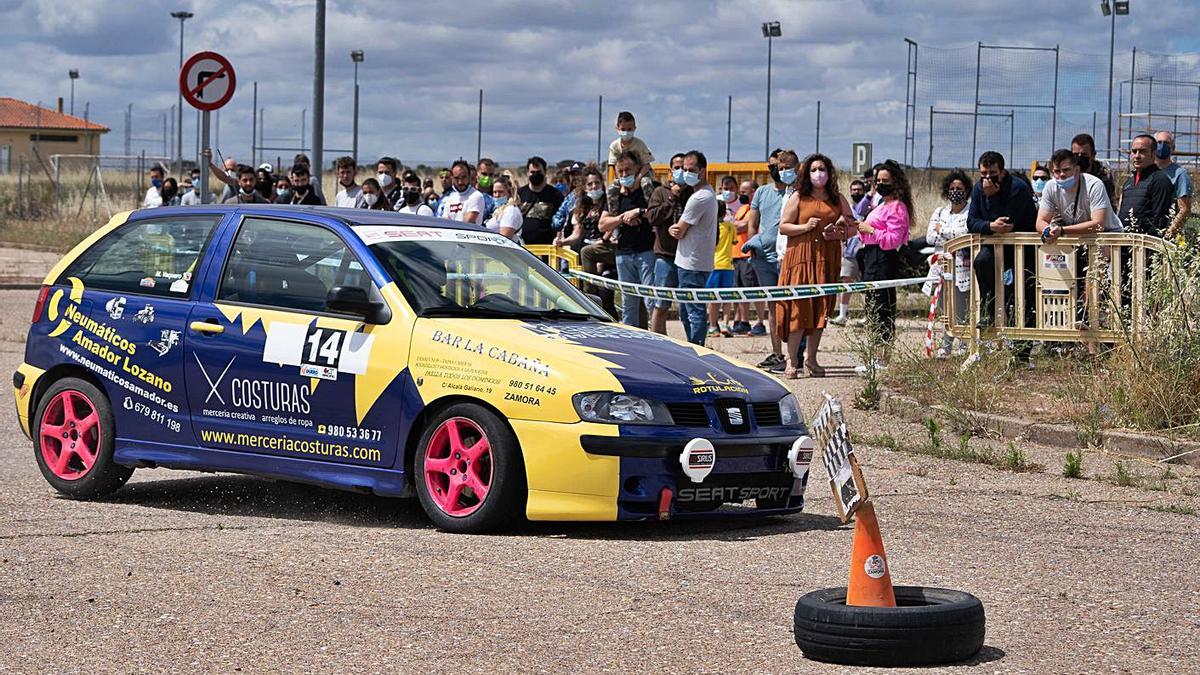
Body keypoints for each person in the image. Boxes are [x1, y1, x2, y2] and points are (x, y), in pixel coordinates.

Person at [776, 153, 853, 378]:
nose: (818, 173)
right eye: (813, 169)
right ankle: (792, 361)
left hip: (826, 260)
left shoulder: (837, 198)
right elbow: (784, 227)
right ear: (806, 173)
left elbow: (852, 226)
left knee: (820, 310)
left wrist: (838, 232)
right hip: (800, 258)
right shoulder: (799, 197)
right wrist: (806, 227)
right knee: (798, 311)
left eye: (822, 169)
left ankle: (812, 359)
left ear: (829, 173)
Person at [967, 150, 1038, 332]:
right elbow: (972, 222)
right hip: (995, 244)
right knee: (982, 262)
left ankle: (1023, 342)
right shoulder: (978, 189)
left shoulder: (1018, 188)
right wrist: (989, 225)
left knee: (1019, 293)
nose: (988, 179)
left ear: (1003, 172)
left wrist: (992, 197)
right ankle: (987, 312)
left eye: (993, 174)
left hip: (1022, 248)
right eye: (984, 174)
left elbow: (1007, 222)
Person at [853, 160, 914, 374]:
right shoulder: (881, 205)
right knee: (872, 307)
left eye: (884, 181)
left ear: (895, 182)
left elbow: (894, 240)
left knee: (883, 308)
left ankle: (882, 358)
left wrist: (870, 230)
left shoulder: (898, 207)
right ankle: (875, 355)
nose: (880, 184)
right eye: (878, 180)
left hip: (884, 259)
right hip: (870, 257)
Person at [744, 149, 797, 371]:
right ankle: (777, 354)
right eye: (773, 166)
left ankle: (797, 353)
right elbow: (752, 224)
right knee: (773, 307)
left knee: (793, 305)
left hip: (787, 256)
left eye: (781, 166)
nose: (776, 171)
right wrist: (751, 246)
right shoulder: (762, 192)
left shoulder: (795, 193)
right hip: (764, 258)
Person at [599, 150, 656, 327]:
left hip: (647, 251)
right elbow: (602, 225)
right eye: (621, 171)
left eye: (628, 170)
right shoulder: (615, 195)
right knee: (628, 303)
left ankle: (657, 339)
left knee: (651, 300)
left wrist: (639, 212)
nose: (624, 175)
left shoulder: (650, 189)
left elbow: (659, 212)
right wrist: (622, 217)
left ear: (638, 169)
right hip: (623, 253)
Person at [669, 150, 718, 345]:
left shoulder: (699, 198)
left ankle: (696, 348)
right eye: (683, 169)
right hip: (693, 260)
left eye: (691, 169)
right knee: (686, 310)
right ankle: (693, 344)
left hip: (692, 262)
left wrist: (674, 229)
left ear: (703, 171)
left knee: (693, 311)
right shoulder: (705, 194)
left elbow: (679, 231)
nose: (686, 173)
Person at [924, 170, 974, 357]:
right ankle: (946, 345)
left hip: (962, 267)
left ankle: (963, 345)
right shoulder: (940, 211)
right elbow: (930, 237)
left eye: (959, 188)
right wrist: (952, 233)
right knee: (945, 308)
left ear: (966, 190)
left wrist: (943, 230)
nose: (955, 191)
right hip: (941, 268)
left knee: (961, 306)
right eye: (952, 188)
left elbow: (966, 233)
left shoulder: (972, 211)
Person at [645, 153, 691, 335]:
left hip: (688, 257)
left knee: (688, 306)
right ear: (671, 171)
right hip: (665, 255)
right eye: (677, 168)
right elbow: (652, 218)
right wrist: (671, 198)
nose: (680, 171)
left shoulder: (693, 193)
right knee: (661, 304)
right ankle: (659, 340)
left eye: (684, 168)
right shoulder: (660, 192)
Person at [1117, 134, 1174, 237]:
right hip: (1124, 246)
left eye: (1142, 151)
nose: (1137, 156)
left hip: (1144, 246)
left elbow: (1159, 221)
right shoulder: (1128, 183)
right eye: (1134, 151)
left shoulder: (1160, 181)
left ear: (1153, 154)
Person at [707, 175, 741, 337]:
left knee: (712, 299)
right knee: (726, 297)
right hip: (728, 265)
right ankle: (726, 324)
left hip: (713, 265)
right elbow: (734, 243)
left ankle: (713, 325)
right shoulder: (730, 226)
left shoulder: (709, 228)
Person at [730, 178, 760, 335]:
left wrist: (733, 225)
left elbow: (742, 226)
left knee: (750, 289)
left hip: (747, 253)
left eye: (744, 192)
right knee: (739, 290)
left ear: (753, 192)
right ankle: (741, 320)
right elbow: (735, 225)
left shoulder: (755, 209)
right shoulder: (742, 208)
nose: (740, 195)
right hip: (736, 254)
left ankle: (754, 321)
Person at [1153, 130, 1193, 239]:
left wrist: (1169, 235)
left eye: (1166, 143)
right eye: (1159, 142)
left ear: (1173, 148)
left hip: (1164, 235)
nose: (1162, 146)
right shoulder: (1147, 172)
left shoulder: (1180, 174)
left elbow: (1184, 209)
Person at [518, 156, 564, 244]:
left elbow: (561, 220)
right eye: (533, 172)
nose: (535, 175)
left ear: (545, 172)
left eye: (539, 172)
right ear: (528, 173)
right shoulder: (520, 194)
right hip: (523, 247)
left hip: (547, 248)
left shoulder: (555, 195)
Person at [608, 111, 656, 195]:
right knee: (611, 189)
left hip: (641, 173)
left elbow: (646, 165)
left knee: (646, 183)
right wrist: (622, 184)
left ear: (634, 128)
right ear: (617, 129)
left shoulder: (640, 144)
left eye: (629, 129)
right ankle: (613, 208)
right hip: (622, 174)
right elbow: (614, 166)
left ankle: (651, 205)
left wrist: (637, 180)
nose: (626, 132)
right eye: (623, 129)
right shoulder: (614, 146)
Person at [437, 159, 486, 224]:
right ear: (452, 178)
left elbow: (468, 223)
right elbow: (444, 222)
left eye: (463, 177)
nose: (460, 182)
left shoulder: (476, 196)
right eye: (457, 178)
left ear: (469, 177)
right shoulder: (450, 198)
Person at [1071, 133, 1116, 203]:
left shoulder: (1103, 178)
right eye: (1075, 154)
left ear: (1093, 155)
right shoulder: (1066, 175)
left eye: (1084, 154)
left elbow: (1109, 205)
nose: (1079, 157)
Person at [484, 175, 523, 240]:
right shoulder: (498, 210)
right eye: (494, 192)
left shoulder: (511, 211)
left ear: (509, 192)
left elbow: (505, 239)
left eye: (500, 192)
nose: (497, 195)